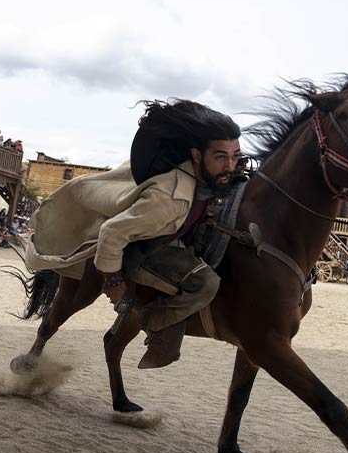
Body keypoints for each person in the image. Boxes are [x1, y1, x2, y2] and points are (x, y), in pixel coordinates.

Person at [24, 99, 243, 369]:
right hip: (135, 250)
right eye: (221, 157)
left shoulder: (206, 178)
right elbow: (112, 234)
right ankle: (154, 322)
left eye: (235, 156)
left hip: (164, 238)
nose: (230, 166)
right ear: (197, 156)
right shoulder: (167, 198)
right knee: (206, 284)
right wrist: (114, 281)